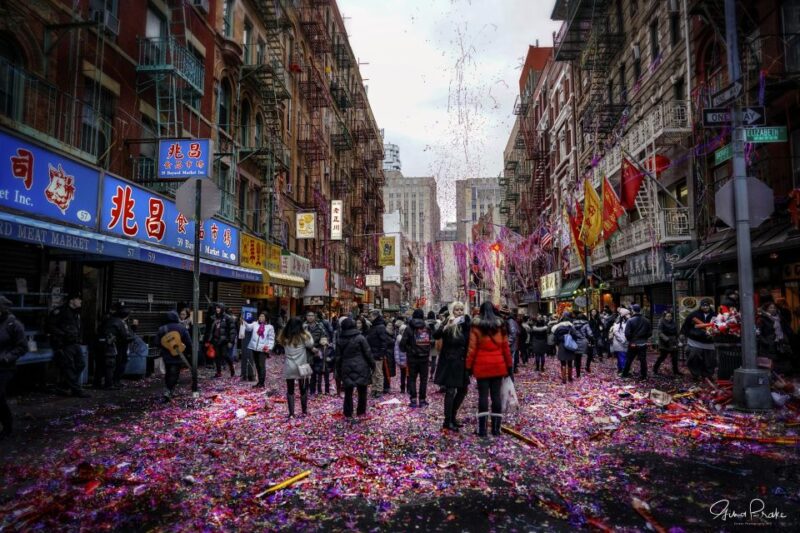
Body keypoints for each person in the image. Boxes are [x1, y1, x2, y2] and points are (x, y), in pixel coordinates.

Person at [466, 302, 512, 437]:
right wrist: (509, 366)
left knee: (483, 396)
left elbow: (471, 349)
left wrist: (468, 367)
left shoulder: (476, 327)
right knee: (496, 396)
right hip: (498, 366)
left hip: (481, 366)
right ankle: (496, 428)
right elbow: (506, 348)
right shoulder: (501, 326)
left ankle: (482, 429)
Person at [434, 301, 470, 432]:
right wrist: (446, 325)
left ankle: (453, 416)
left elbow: (469, 340)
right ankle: (447, 420)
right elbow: (436, 335)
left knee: (463, 390)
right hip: (450, 362)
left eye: (461, 310)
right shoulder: (448, 323)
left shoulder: (466, 323)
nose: (459, 312)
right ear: (452, 311)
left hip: (462, 362)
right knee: (450, 391)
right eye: (457, 310)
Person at [47, 291, 89, 397]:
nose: (80, 301)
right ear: (71, 301)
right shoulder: (60, 311)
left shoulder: (76, 313)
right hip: (64, 344)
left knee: (81, 364)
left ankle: (63, 385)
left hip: (75, 343)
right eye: (78, 299)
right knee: (68, 366)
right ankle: (76, 390)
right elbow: (50, 326)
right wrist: (64, 335)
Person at [335, 317, 375, 420]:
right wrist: (372, 365)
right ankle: (360, 411)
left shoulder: (340, 339)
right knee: (362, 391)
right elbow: (368, 352)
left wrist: (338, 370)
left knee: (348, 391)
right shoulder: (360, 338)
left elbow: (338, 357)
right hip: (361, 366)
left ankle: (348, 412)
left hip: (346, 366)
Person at [0, 296, 26, 439]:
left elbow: (22, 347)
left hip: (5, 367)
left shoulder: (14, 325)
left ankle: (7, 426)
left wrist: (7, 357)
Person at [279, 318, 313, 418]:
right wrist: (307, 331)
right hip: (302, 365)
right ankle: (304, 410)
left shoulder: (284, 336)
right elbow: (310, 344)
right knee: (303, 388)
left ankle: (291, 413)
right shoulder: (303, 336)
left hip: (289, 365)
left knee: (290, 390)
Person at [399, 308, 433, 408]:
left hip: (412, 358)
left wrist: (409, 350)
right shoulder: (427, 327)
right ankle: (422, 400)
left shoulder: (408, 328)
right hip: (424, 358)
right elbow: (431, 341)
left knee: (412, 379)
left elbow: (402, 344)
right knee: (423, 380)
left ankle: (413, 400)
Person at [156, 311, 192, 401]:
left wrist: (166, 347)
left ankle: (168, 389)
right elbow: (188, 342)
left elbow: (156, 342)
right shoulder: (182, 328)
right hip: (178, 354)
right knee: (175, 373)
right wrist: (188, 352)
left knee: (168, 372)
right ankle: (169, 390)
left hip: (166, 355)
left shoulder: (162, 329)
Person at [681, 299, 716, 380]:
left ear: (709, 306)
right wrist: (683, 335)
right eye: (703, 305)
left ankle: (707, 375)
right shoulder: (693, 315)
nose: (705, 307)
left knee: (709, 360)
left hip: (709, 342)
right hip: (695, 341)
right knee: (694, 358)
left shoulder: (715, 315)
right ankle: (696, 374)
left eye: (707, 305)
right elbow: (686, 326)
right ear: (700, 306)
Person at [243, 313, 275, 388]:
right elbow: (248, 327)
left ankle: (262, 383)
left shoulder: (269, 327)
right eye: (260, 316)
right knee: (257, 365)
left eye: (263, 316)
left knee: (261, 365)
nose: (261, 317)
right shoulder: (255, 324)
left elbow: (271, 338)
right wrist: (243, 322)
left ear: (266, 318)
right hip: (254, 348)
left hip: (263, 349)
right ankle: (259, 382)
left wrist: (269, 347)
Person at [205, 303, 237, 378]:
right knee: (217, 356)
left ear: (222, 309)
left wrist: (231, 341)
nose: (217, 309)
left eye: (219, 308)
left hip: (224, 340)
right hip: (215, 340)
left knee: (225, 355)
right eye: (216, 308)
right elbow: (209, 329)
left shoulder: (228, 318)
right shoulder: (213, 318)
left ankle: (232, 368)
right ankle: (218, 372)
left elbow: (232, 330)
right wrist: (208, 340)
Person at [366, 309, 391, 398]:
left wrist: (381, 353)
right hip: (373, 352)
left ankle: (379, 389)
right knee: (374, 372)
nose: (369, 317)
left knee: (378, 373)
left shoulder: (379, 326)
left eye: (371, 316)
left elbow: (384, 341)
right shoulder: (374, 326)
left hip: (377, 353)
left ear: (375, 316)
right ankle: (374, 388)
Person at [623, 304, 652, 379]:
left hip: (633, 343)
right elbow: (650, 333)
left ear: (633, 310)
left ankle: (625, 373)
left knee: (629, 359)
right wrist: (644, 338)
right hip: (643, 343)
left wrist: (631, 340)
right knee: (643, 360)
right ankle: (643, 375)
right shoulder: (646, 320)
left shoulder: (630, 320)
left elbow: (627, 333)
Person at [552, 312, 581, 384]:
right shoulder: (571, 327)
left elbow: (555, 338)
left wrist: (558, 344)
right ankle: (570, 378)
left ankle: (564, 378)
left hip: (562, 345)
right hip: (570, 345)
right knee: (570, 362)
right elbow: (575, 336)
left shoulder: (558, 327)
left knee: (563, 362)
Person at [654, 311, 680, 375]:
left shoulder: (674, 323)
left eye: (670, 316)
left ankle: (676, 371)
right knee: (662, 357)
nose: (669, 317)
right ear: (665, 317)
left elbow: (676, 332)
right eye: (668, 316)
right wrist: (666, 339)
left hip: (673, 342)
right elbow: (660, 332)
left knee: (675, 358)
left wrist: (678, 339)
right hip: (665, 342)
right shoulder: (661, 322)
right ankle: (655, 369)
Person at [609, 308, 630, 374]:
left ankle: (620, 369)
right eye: (627, 314)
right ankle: (623, 371)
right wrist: (623, 340)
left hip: (625, 342)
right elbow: (615, 332)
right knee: (622, 356)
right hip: (620, 343)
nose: (629, 315)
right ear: (623, 315)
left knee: (622, 357)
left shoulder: (628, 322)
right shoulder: (618, 323)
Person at [572, 313, 593, 377]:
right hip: (584, 341)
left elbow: (571, 333)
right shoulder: (586, 324)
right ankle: (587, 366)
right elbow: (590, 334)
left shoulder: (573, 324)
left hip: (575, 342)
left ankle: (578, 373)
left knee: (577, 358)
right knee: (590, 354)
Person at [426, 310, 442, 382]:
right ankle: (431, 375)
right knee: (433, 360)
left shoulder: (425, 323)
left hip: (426, 343)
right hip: (434, 343)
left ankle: (425, 375)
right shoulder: (437, 324)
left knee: (425, 360)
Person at [394, 320, 408, 394]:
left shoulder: (408, 338)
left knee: (407, 375)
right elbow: (396, 350)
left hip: (407, 360)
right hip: (403, 360)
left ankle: (407, 388)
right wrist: (398, 360)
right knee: (403, 375)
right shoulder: (398, 339)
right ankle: (403, 388)